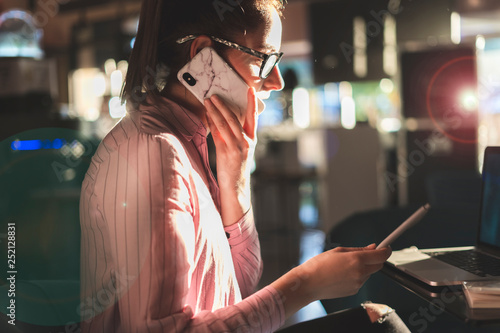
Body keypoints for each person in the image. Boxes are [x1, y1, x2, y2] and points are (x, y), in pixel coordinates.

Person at [79, 0, 411, 332]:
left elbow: (238, 284)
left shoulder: (187, 145)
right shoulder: (153, 154)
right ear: (202, 56)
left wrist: (236, 175)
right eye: (265, 60)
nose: (276, 81)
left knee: (379, 319)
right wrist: (306, 284)